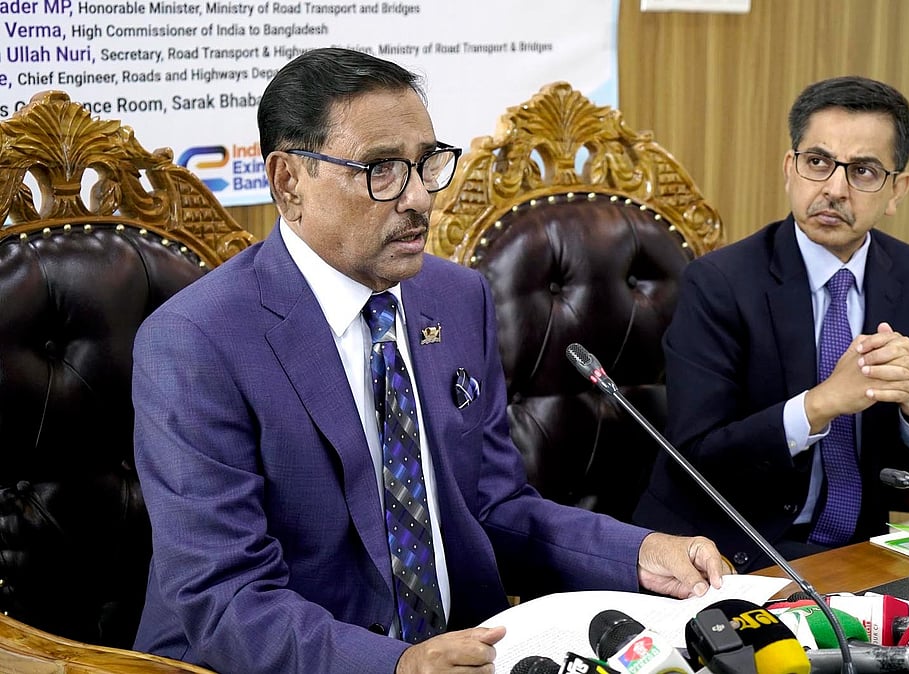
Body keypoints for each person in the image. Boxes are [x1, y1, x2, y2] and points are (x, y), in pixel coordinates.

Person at [131, 47, 728, 674]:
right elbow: (225, 598)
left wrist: (639, 554)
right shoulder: (197, 341)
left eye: (425, 164)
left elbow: (492, 507)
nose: (418, 197)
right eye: (381, 169)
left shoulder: (455, 297)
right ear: (288, 182)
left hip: (465, 654)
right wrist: (396, 665)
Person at [633, 76, 909, 571]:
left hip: (858, 554)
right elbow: (698, 453)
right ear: (790, 169)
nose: (834, 189)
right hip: (727, 550)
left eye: (864, 171)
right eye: (818, 162)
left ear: (896, 190)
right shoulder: (719, 282)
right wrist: (821, 404)